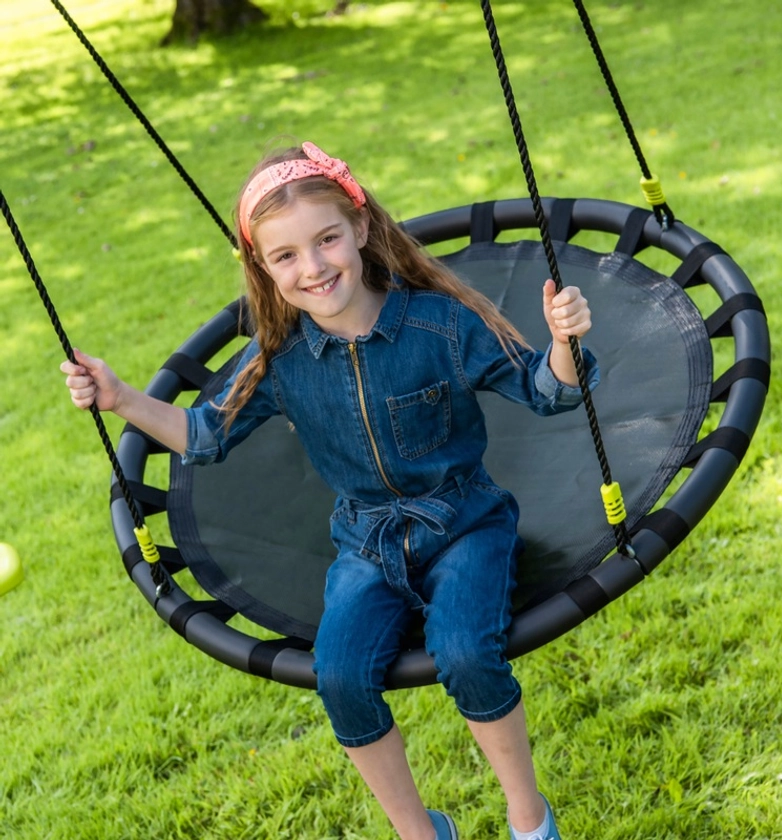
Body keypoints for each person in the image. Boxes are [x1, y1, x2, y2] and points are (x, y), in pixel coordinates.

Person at [61, 141, 598, 840]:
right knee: (340, 678)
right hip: (366, 545)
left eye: (326, 240)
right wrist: (121, 398)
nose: (313, 268)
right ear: (262, 266)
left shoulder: (441, 324)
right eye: (285, 256)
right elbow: (204, 434)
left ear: (361, 228)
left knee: (467, 652)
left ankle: (529, 820)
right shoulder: (278, 358)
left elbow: (546, 392)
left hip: (466, 525)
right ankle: (419, 831)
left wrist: (564, 343)